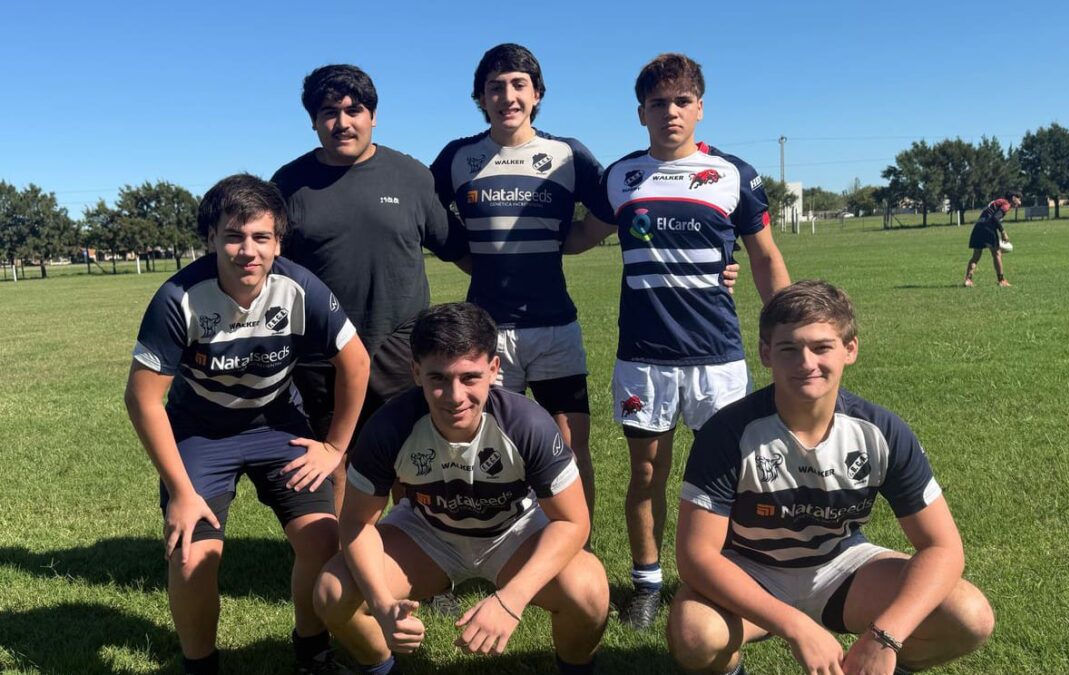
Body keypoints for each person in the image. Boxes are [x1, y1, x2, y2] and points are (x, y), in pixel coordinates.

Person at [431, 44, 742, 535]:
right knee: (485, 445)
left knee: (570, 448)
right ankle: (494, 544)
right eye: (495, 87)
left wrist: (719, 261)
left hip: (555, 325)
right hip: (485, 332)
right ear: (480, 97)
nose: (507, 96)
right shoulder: (458, 156)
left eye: (518, 85)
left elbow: (632, 205)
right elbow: (429, 220)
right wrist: (474, 259)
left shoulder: (567, 156)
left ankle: (575, 550)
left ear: (536, 95)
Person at [565, 52, 790, 629]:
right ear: (641, 112)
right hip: (644, 359)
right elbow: (580, 237)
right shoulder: (620, 176)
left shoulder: (733, 174)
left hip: (717, 358)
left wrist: (788, 333)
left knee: (730, 477)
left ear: (700, 108)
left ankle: (725, 579)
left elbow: (764, 259)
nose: (671, 112)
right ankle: (646, 583)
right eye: (658, 103)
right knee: (646, 475)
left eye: (682, 101)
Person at [668, 280, 994, 675]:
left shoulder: (880, 432)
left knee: (969, 615)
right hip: (752, 568)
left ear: (849, 350)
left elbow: (943, 547)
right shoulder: (729, 432)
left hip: (840, 566)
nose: (806, 363)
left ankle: (876, 665)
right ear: (766, 353)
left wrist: (884, 637)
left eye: (821, 347)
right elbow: (696, 556)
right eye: (789, 348)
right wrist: (796, 626)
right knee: (694, 632)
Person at [124, 174, 370, 675]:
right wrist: (181, 492)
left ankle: (312, 652)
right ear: (211, 238)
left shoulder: (298, 286)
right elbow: (143, 399)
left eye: (261, 237)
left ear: (279, 241)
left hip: (277, 423)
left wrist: (335, 448)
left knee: (322, 539)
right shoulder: (179, 297)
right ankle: (201, 666)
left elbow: (356, 361)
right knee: (191, 555)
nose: (247, 251)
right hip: (199, 432)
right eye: (234, 236)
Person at [312, 302, 609, 675]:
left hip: (511, 533)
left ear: (494, 370)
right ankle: (380, 668)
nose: (454, 396)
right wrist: (383, 603)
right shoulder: (389, 427)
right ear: (416, 372)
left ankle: (576, 669)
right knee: (332, 591)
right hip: (428, 535)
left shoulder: (527, 424)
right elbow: (356, 523)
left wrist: (511, 600)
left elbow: (573, 522)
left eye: (469, 377)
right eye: (438, 378)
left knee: (589, 589)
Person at [272, 64, 468, 517]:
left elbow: (457, 247)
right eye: (329, 113)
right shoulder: (287, 184)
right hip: (321, 355)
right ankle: (345, 574)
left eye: (354, 110)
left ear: (373, 115)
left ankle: (410, 561)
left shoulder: (412, 177)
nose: (343, 122)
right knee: (333, 461)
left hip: (400, 348)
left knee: (410, 462)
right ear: (313, 121)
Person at [964, 190, 1022, 287]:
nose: (1020, 202)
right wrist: (1003, 232)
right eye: (1019, 199)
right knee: (997, 254)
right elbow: (995, 218)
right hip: (988, 227)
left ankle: (968, 280)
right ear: (1013, 198)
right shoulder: (1006, 204)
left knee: (976, 255)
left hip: (978, 226)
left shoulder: (999, 201)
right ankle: (1001, 280)